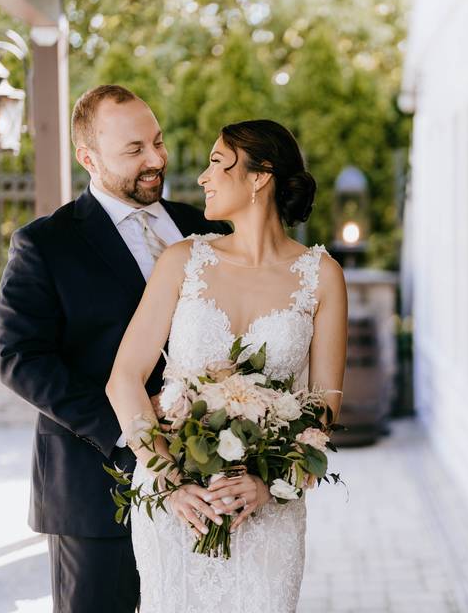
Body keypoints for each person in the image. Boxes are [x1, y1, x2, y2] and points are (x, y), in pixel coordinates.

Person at [0, 84, 229, 612]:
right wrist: (131, 435)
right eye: (134, 151)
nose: (156, 160)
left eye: (158, 142)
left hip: (207, 483)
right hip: (94, 490)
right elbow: (19, 358)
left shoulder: (202, 227)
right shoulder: (44, 245)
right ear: (88, 159)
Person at [105, 118, 348, 611]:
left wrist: (270, 482)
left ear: (260, 176)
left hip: (267, 510)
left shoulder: (322, 276)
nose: (202, 177)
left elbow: (325, 406)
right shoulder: (181, 261)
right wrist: (168, 479)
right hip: (176, 506)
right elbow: (124, 380)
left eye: (217, 162)